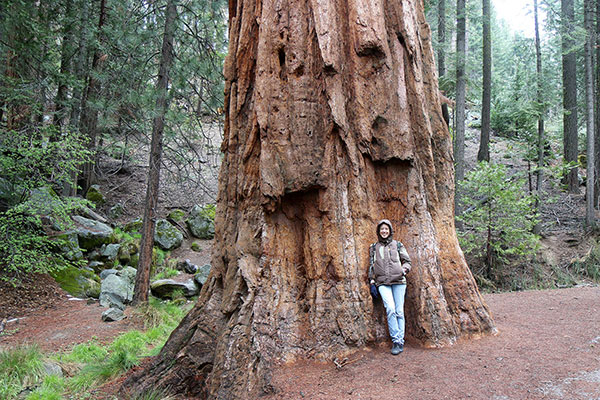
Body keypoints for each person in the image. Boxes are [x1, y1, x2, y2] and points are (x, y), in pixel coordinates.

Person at [368, 219, 412, 355]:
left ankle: (399, 342)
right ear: (379, 231)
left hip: (399, 281)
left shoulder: (398, 245)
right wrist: (371, 281)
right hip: (382, 283)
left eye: (386, 229)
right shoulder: (374, 247)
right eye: (382, 229)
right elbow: (371, 265)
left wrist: (403, 270)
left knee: (399, 311)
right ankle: (396, 339)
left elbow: (407, 261)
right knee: (390, 309)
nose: (384, 231)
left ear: (390, 231)